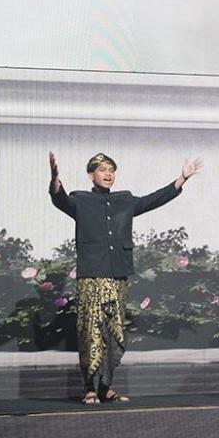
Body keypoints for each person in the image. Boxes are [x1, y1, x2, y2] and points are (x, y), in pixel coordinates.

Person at [49, 152, 202, 404]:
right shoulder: (81, 200)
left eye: (111, 170)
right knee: (91, 331)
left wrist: (182, 178)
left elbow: (153, 200)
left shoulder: (125, 200)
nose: (108, 174)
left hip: (118, 276)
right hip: (92, 277)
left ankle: (105, 387)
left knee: (114, 333)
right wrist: (55, 179)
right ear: (91, 175)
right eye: (102, 170)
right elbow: (60, 199)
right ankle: (89, 387)